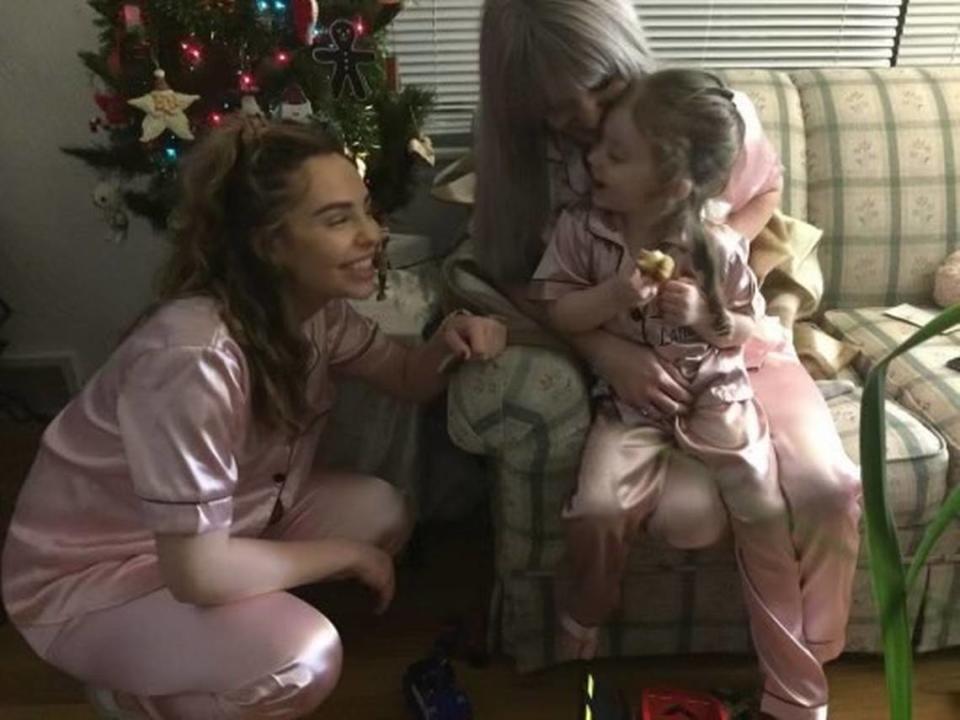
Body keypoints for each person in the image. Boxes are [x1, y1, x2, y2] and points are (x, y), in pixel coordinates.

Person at [1, 116, 506, 720]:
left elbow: (405, 378)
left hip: (212, 534)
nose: (373, 233)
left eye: (367, 210)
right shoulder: (194, 358)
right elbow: (196, 572)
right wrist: (348, 556)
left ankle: (212, 640)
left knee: (382, 509)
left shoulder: (316, 314)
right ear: (269, 244)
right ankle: (134, 696)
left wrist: (453, 339)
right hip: (92, 579)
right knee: (303, 658)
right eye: (338, 218)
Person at [470, 2, 862, 718]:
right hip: (656, 374)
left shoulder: (700, 122)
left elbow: (764, 195)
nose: (586, 122)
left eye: (600, 88)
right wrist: (605, 346)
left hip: (736, 350)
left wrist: (712, 242)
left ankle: (815, 654)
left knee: (828, 486)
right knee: (693, 510)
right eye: (561, 113)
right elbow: (537, 284)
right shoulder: (552, 171)